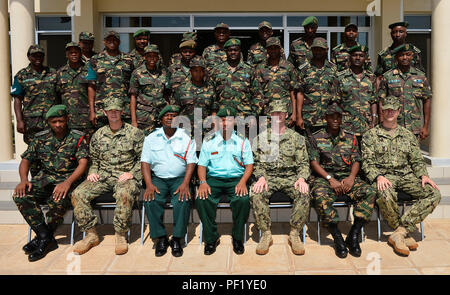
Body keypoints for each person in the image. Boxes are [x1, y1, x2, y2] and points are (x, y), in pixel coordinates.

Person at [361, 96, 441, 257]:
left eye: (393, 109)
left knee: (434, 193)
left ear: (398, 111)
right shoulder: (370, 135)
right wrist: (378, 176)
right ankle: (402, 233)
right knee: (384, 192)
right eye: (386, 109)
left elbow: (417, 160)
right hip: (385, 177)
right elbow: (367, 163)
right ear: (382, 112)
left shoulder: (408, 135)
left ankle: (399, 232)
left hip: (406, 176)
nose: (389, 112)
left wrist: (424, 175)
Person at [13, 105, 89, 262]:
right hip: (45, 178)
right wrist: (23, 180)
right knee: (21, 196)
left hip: (69, 179)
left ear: (67, 119)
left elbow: (83, 163)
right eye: (54, 121)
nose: (58, 125)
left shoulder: (77, 137)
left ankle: (43, 239)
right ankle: (45, 236)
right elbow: (26, 159)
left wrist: (67, 183)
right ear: (48, 122)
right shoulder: (40, 138)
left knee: (58, 200)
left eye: (61, 121)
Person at [71, 96, 145, 256]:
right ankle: (91, 235)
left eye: (116, 110)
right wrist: (92, 172)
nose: (113, 113)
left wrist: (131, 173)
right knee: (78, 193)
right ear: (105, 112)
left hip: (124, 176)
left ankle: (120, 235)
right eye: (110, 111)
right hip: (103, 176)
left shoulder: (135, 133)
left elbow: (143, 160)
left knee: (124, 193)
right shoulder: (98, 135)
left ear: (122, 111)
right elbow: (95, 160)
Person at [307, 103, 376, 258]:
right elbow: (314, 162)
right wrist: (330, 179)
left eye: (338, 116)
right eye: (332, 116)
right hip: (325, 178)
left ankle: (353, 235)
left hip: (347, 177)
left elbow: (357, 160)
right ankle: (337, 236)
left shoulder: (351, 137)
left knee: (369, 192)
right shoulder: (316, 137)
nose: (335, 119)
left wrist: (351, 178)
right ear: (326, 118)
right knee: (319, 195)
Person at [251, 100, 310, 256]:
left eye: (280, 113)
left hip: (291, 177)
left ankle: (295, 234)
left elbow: (303, 163)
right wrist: (261, 177)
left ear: (286, 115)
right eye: (274, 113)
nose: (277, 116)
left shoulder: (296, 138)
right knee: (256, 193)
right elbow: (257, 163)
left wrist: (302, 178)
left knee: (303, 193)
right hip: (269, 177)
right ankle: (266, 234)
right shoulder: (261, 138)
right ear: (270, 116)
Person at [141, 105, 197, 257]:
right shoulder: (151, 138)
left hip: (180, 178)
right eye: (167, 115)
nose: (170, 118)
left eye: (173, 115)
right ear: (161, 119)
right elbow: (145, 163)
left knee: (183, 200)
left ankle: (177, 238)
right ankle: (161, 238)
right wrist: (149, 185)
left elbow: (191, 163)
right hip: (158, 178)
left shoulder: (186, 138)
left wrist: (186, 184)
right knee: (151, 200)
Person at [196, 106, 253, 255]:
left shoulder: (243, 141)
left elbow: (249, 165)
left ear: (234, 121)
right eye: (222, 120)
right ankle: (211, 238)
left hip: (236, 179)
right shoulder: (209, 141)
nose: (226, 123)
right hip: (213, 179)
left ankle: (237, 238)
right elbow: (201, 165)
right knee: (202, 199)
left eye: (229, 120)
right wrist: (203, 182)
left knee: (242, 200)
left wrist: (242, 182)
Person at [377, 44, 431, 140]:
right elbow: (381, 101)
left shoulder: (421, 76)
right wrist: (382, 122)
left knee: (413, 154)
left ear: (412, 56)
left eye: (408, 54)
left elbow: (426, 100)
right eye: (401, 55)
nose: (405, 57)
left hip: (414, 128)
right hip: (392, 127)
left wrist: (426, 126)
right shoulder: (388, 76)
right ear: (396, 57)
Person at [11, 44, 58, 146]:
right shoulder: (21, 75)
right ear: (29, 57)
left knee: (52, 151)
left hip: (51, 120)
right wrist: (19, 121)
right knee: (33, 152)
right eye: (34, 56)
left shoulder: (53, 73)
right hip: (32, 122)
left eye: (40, 55)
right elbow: (17, 100)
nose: (38, 58)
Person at [86, 30, 134, 129]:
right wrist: (92, 111)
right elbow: (91, 86)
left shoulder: (128, 60)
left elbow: (134, 86)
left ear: (119, 42)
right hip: (102, 109)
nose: (112, 42)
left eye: (114, 39)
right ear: (104, 41)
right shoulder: (95, 60)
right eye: (109, 39)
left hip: (123, 109)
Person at [209, 38, 263, 120]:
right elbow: (212, 95)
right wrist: (213, 114)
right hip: (222, 119)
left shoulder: (250, 70)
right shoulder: (216, 70)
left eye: (235, 50)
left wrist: (253, 115)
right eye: (230, 50)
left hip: (244, 118)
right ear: (226, 52)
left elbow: (258, 95)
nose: (233, 52)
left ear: (240, 51)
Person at [334, 45, 377, 142]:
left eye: (361, 56)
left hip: (367, 126)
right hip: (347, 127)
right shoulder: (340, 77)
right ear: (349, 57)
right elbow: (335, 101)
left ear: (365, 58)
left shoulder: (371, 78)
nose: (358, 58)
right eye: (355, 55)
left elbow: (374, 100)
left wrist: (374, 119)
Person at [296, 37, 337, 134]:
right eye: (316, 49)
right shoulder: (304, 69)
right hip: (309, 119)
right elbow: (300, 93)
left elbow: (336, 95)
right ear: (311, 50)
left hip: (328, 119)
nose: (318, 52)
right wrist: (299, 117)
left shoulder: (333, 69)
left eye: (321, 49)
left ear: (326, 50)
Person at [172, 56, 215, 145]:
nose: (198, 73)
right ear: (190, 71)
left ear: (204, 72)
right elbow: (175, 110)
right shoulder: (182, 88)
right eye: (195, 70)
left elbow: (213, 110)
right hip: (185, 132)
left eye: (201, 71)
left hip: (205, 132)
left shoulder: (210, 88)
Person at [255, 37, 298, 126]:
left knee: (286, 139)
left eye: (276, 48)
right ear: (267, 50)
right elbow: (257, 92)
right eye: (271, 48)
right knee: (267, 139)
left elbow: (293, 91)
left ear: (280, 49)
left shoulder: (289, 67)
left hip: (285, 113)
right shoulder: (260, 68)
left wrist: (294, 113)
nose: (273, 50)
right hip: (266, 114)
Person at [129, 44, 170, 135]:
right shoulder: (137, 73)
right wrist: (134, 121)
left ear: (158, 57)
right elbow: (133, 97)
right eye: (149, 56)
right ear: (145, 57)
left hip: (160, 115)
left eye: (154, 56)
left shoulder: (164, 72)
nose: (152, 58)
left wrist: (168, 115)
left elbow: (166, 96)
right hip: (144, 117)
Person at [56, 42, 93, 138]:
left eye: (76, 52)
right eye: (71, 52)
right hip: (67, 120)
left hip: (85, 119)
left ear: (81, 54)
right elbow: (56, 96)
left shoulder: (89, 70)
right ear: (66, 55)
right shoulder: (60, 73)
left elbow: (94, 92)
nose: (74, 54)